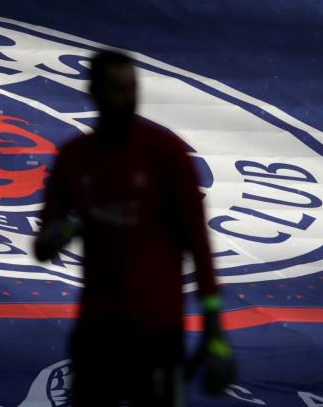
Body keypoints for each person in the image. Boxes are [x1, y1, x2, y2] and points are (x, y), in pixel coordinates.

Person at [35, 50, 235, 406]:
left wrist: (214, 333)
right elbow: (43, 247)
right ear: (93, 91)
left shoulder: (165, 153)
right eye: (115, 89)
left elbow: (198, 246)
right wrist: (69, 226)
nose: (125, 99)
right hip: (98, 329)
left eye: (131, 89)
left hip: (157, 331)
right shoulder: (75, 157)